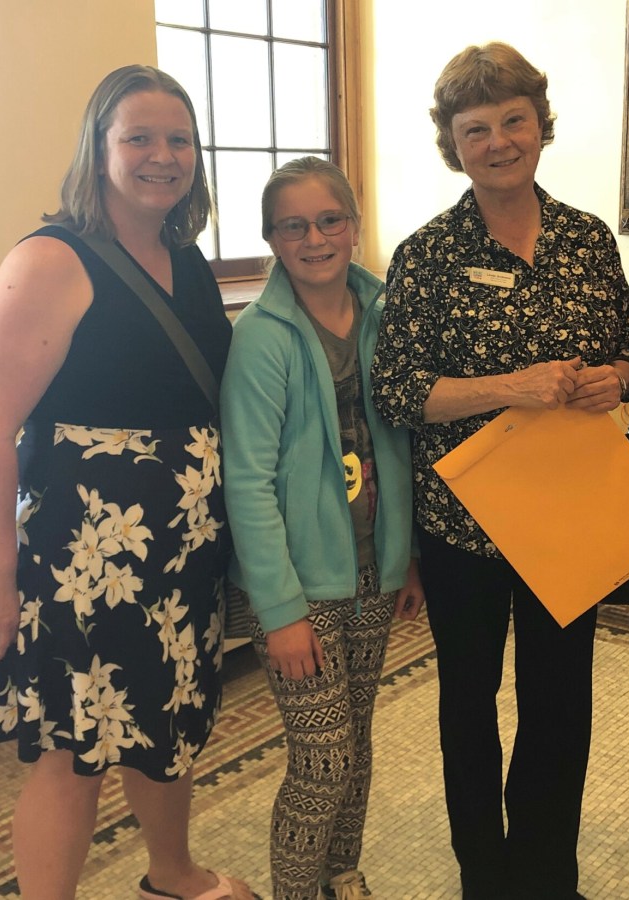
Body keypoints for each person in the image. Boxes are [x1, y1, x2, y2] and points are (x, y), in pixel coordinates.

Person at [0, 65, 259, 900]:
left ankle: (174, 874)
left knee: (166, 726)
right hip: (84, 558)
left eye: (179, 139)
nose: (162, 155)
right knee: (75, 750)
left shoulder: (186, 259)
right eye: (139, 137)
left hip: (181, 554)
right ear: (98, 151)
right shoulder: (52, 259)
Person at [370, 43, 629, 900]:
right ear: (455, 144)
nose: (498, 141)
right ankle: (484, 878)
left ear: (540, 125)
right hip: (465, 524)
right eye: (476, 128)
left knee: (562, 703)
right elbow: (398, 390)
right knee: (468, 705)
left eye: (513, 120)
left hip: (569, 512)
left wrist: (619, 378)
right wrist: (510, 388)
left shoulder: (586, 239)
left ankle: (547, 876)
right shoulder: (427, 254)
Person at [221, 156, 425, 900]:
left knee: (357, 746)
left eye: (329, 219)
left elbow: (404, 444)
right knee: (323, 757)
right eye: (293, 226)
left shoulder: (384, 311)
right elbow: (245, 479)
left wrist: (408, 561)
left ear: (354, 223)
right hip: (297, 590)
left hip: (373, 572)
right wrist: (280, 613)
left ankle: (342, 875)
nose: (314, 238)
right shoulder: (262, 338)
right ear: (272, 239)